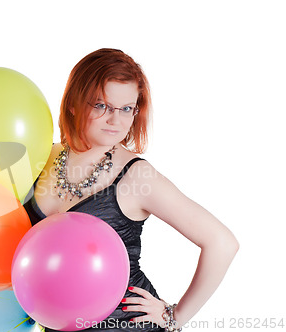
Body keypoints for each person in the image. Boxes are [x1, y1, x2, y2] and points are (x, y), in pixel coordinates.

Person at [23, 48, 239, 331]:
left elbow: (222, 243)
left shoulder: (137, 176)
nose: (116, 120)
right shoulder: (41, 156)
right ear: (74, 103)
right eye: (101, 105)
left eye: (126, 108)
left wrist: (174, 317)